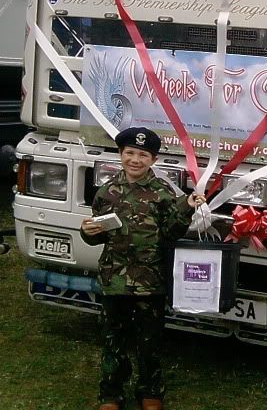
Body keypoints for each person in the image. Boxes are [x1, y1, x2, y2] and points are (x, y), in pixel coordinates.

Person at [80, 127, 206, 410]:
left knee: (149, 341)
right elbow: (98, 235)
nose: (135, 160)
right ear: (121, 155)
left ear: (153, 159)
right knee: (114, 339)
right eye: (130, 153)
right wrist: (87, 231)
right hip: (115, 279)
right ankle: (111, 394)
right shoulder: (106, 192)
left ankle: (150, 391)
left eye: (143, 155)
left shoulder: (162, 194)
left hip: (150, 280)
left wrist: (186, 206)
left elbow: (172, 232)